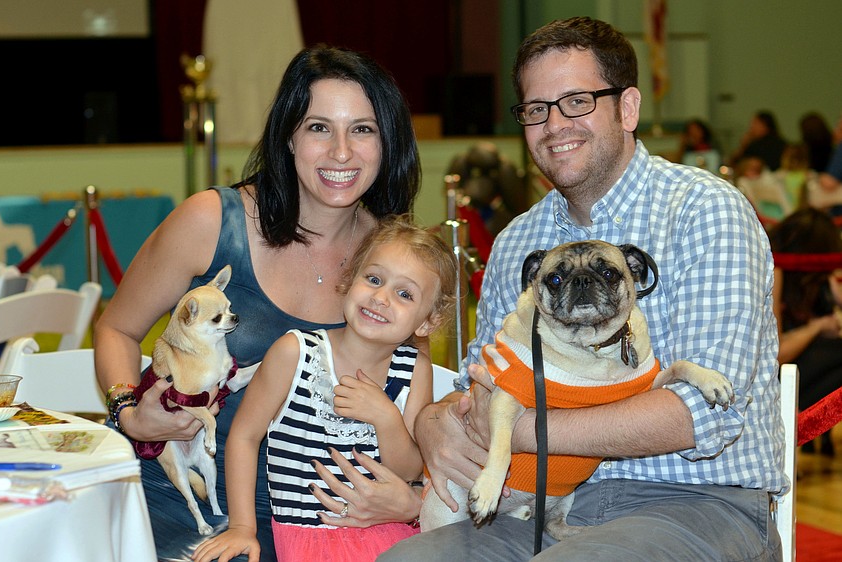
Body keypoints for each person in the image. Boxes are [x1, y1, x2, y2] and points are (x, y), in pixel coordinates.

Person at [380, 16, 785, 561]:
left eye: (576, 101)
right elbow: (483, 379)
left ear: (629, 108)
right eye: (536, 109)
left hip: (695, 500)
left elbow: (703, 414)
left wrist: (526, 431)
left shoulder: (705, 211)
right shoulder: (518, 241)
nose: (553, 125)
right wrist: (433, 422)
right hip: (538, 505)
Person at [94, 45, 421, 561]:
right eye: (318, 127)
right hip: (180, 491)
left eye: (363, 129)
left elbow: (409, 398)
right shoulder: (213, 222)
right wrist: (127, 410)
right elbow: (116, 329)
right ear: (289, 137)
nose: (341, 152)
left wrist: (411, 497)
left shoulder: (395, 262)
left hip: (322, 518)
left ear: (387, 144)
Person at [192, 217, 457, 562]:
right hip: (311, 539)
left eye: (404, 294)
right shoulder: (294, 352)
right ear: (350, 281)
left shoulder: (413, 369)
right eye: (373, 279)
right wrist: (243, 527)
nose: (380, 297)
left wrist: (386, 416)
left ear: (427, 321)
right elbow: (244, 435)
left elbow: (408, 471)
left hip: (392, 534)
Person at [768, 207, 842, 456]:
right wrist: (818, 326)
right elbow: (776, 354)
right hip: (771, 377)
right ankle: (800, 429)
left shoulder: (806, 280)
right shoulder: (775, 269)